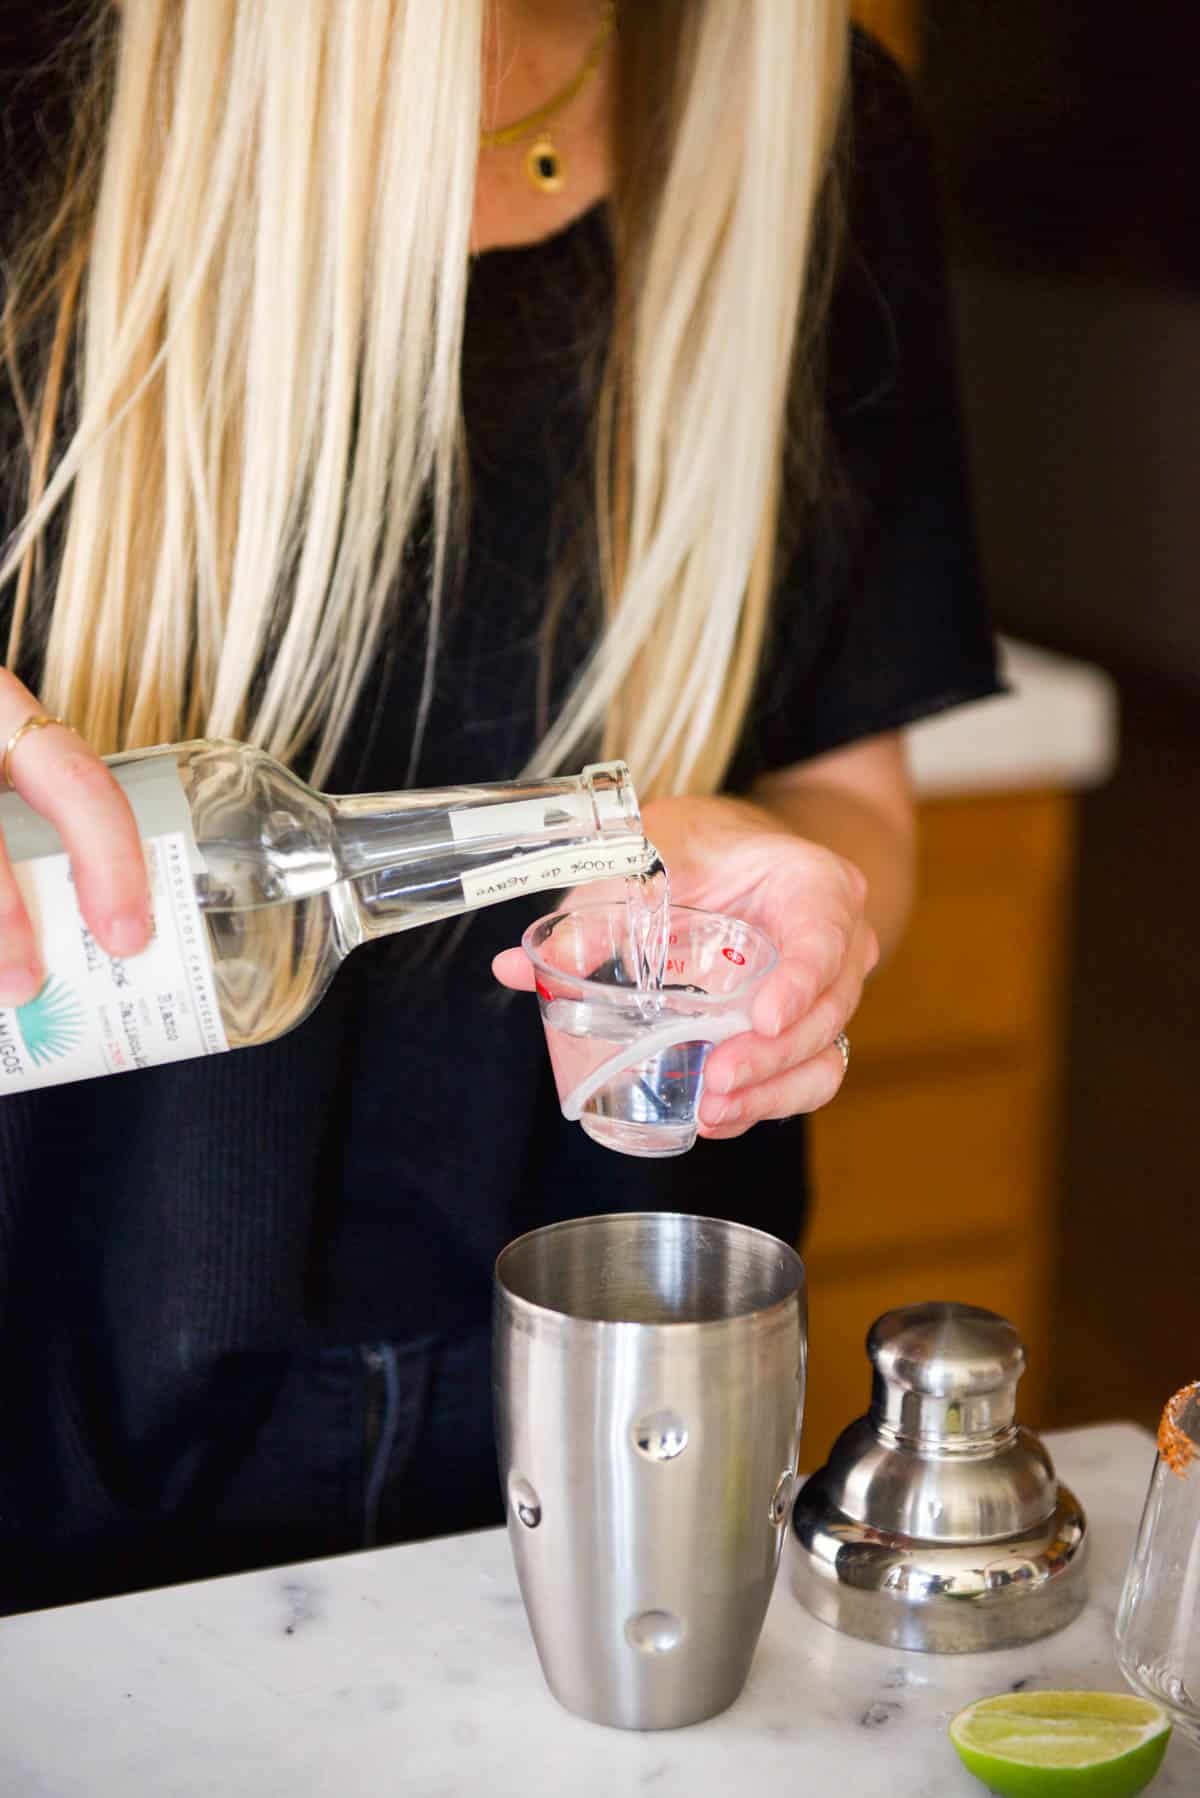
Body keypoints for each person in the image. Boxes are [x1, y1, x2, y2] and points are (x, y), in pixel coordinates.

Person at [0, 0, 1000, 1615]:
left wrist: (795, 892)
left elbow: (844, 791)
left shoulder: (814, 118)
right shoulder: (46, 73)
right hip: (69, 1413)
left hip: (627, 1409)